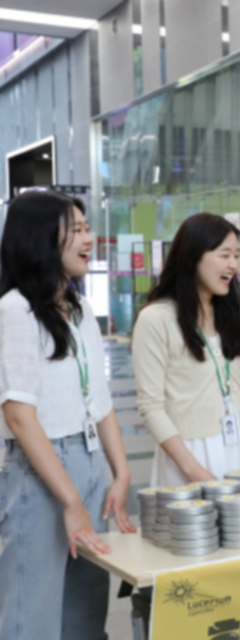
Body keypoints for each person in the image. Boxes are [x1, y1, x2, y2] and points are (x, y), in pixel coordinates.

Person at [0, 191, 136, 639]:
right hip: (41, 473)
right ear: (40, 238)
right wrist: (71, 502)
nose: (88, 238)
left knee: (84, 613)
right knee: (32, 617)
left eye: (86, 227)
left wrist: (120, 473)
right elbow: (20, 417)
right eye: (74, 229)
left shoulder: (79, 309)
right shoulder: (14, 310)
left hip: (91, 463)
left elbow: (98, 400)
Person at [133, 213, 240, 485]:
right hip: (188, 456)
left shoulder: (234, 313)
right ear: (192, 257)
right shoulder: (156, 319)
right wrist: (195, 472)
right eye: (224, 255)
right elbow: (151, 408)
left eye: (236, 255)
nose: (233, 265)